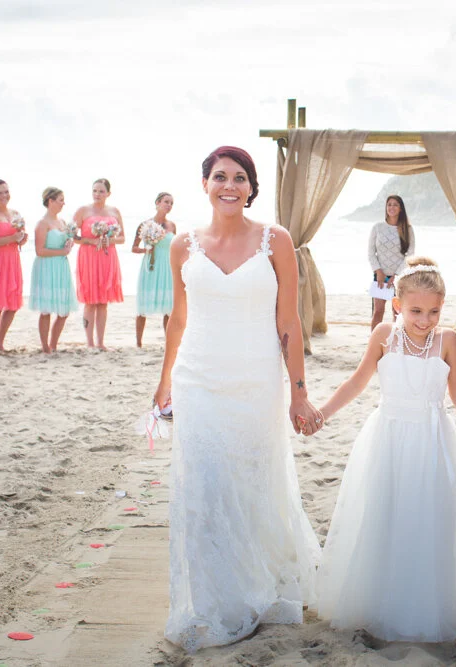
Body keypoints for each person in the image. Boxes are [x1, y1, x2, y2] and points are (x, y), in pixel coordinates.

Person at [153, 146, 321, 653]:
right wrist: (164, 382)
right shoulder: (181, 246)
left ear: (251, 188)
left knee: (252, 484)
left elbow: (289, 321)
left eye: (240, 178)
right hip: (198, 380)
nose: (230, 185)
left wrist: (298, 393)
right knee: (203, 489)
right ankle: (213, 601)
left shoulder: (277, 241)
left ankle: (258, 587)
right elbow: (178, 320)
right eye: (220, 176)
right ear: (204, 184)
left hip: (256, 380)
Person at [315, 256, 456, 642]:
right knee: (384, 512)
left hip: (431, 438)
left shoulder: (447, 341)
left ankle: (422, 601)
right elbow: (357, 382)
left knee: (426, 517)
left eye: (433, 311)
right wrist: (323, 413)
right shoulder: (383, 336)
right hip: (387, 437)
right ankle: (379, 599)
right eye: (415, 311)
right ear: (397, 306)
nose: (424, 320)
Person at [73, 178, 124, 350]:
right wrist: (90, 240)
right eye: (95, 190)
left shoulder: (114, 211)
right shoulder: (83, 211)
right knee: (90, 301)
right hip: (88, 257)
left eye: (101, 191)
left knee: (103, 301)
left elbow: (122, 238)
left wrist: (109, 239)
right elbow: (72, 236)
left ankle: (101, 342)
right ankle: (89, 342)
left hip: (108, 257)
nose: (97, 194)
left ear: (108, 193)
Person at [29, 187, 76, 353]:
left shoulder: (62, 222)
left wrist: (69, 243)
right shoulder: (42, 224)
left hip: (61, 266)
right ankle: (45, 346)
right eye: (60, 200)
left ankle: (54, 343)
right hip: (47, 267)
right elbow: (39, 250)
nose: (64, 203)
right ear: (50, 201)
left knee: (64, 310)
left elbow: (66, 241)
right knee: (46, 309)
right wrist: (61, 252)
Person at [0, 180, 27, 354]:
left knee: (12, 304)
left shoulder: (15, 213)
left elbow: (18, 237)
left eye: (6, 192)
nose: (4, 195)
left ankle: (0, 343)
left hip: (13, 260)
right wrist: (12, 239)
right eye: (0, 192)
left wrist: (22, 239)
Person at [132, 192, 176, 347]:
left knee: (168, 308)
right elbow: (134, 248)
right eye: (166, 202)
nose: (168, 205)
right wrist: (147, 249)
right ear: (157, 203)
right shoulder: (145, 224)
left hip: (167, 267)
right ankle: (138, 343)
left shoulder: (172, 226)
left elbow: (175, 248)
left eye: (171, 203)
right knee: (143, 307)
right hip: (150, 267)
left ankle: (169, 342)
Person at [367, 194, 414, 330]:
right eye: (389, 204)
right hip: (380, 276)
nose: (391, 207)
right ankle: (374, 342)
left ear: (400, 209)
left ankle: (395, 343)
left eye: (395, 205)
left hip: (400, 277)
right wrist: (378, 271)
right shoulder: (377, 227)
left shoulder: (408, 229)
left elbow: (410, 254)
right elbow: (371, 252)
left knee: (397, 312)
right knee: (378, 311)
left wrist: (397, 275)